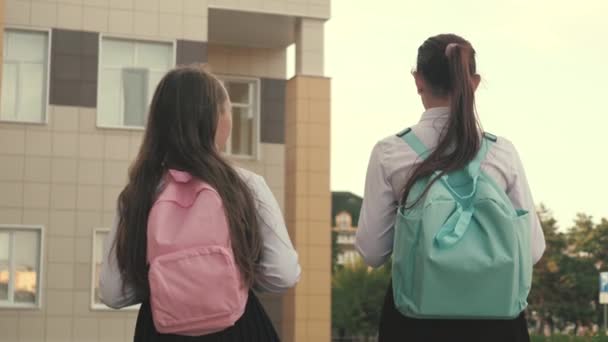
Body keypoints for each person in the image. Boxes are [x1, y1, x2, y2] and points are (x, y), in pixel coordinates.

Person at [355, 34, 546, 341]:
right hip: (496, 321)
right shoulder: (502, 153)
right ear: (473, 82)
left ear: (418, 81)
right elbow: (533, 250)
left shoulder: (390, 152)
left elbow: (372, 252)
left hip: (415, 319)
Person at [99, 65, 301, 342]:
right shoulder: (246, 186)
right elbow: (284, 274)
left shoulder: (137, 194)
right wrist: (233, 275)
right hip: (239, 328)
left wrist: (164, 282)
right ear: (216, 120)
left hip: (161, 332)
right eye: (227, 110)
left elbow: (112, 292)